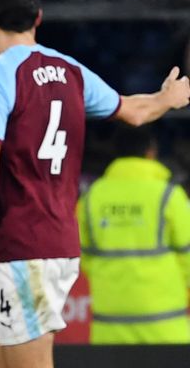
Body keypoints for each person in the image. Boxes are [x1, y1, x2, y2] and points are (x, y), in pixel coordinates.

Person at [0, 0, 190, 368]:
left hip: (26, 244)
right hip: (58, 241)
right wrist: (168, 98)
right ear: (39, 17)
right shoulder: (71, 71)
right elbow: (133, 110)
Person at [77, 124, 190, 344]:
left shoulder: (91, 197)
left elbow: (82, 256)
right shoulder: (169, 195)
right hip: (165, 325)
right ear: (151, 152)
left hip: (109, 326)